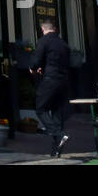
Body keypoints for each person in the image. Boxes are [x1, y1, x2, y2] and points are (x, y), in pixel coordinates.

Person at [29, 18, 71, 157]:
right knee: (57, 112)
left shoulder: (44, 41)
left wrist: (33, 68)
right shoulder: (64, 44)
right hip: (64, 81)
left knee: (41, 108)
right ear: (55, 29)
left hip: (50, 79)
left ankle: (59, 135)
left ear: (43, 29)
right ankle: (56, 150)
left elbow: (36, 60)